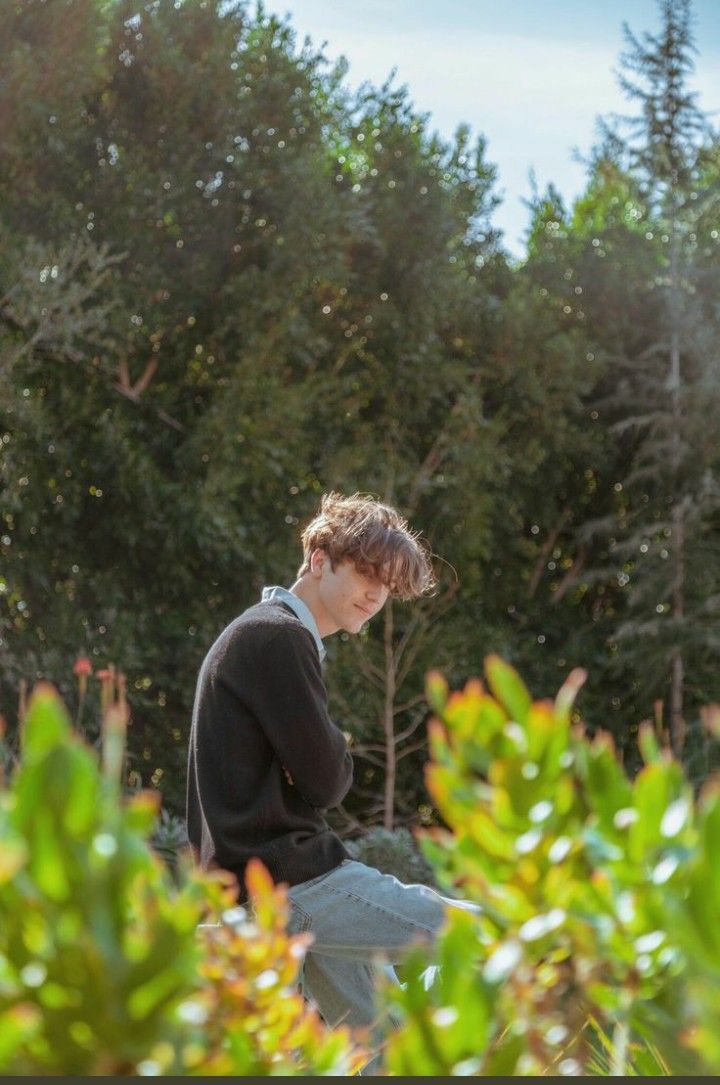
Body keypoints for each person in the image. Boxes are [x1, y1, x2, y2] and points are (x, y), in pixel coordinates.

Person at [186, 491, 477, 1070]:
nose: (376, 594)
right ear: (319, 558)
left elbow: (312, 769)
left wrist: (320, 752)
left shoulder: (256, 634)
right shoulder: (279, 638)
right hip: (295, 887)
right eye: (367, 572)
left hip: (252, 893)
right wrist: (333, 749)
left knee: (381, 1053)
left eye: (388, 585)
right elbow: (327, 781)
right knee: (500, 935)